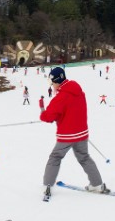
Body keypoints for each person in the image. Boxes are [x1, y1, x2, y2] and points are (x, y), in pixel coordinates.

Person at [39, 66, 108, 198]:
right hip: (81, 133)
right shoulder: (78, 91)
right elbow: (71, 111)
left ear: (57, 81)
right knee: (84, 157)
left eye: (52, 82)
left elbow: (47, 117)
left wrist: (42, 108)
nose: (52, 85)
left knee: (55, 157)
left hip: (67, 135)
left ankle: (47, 185)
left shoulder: (61, 96)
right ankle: (97, 184)